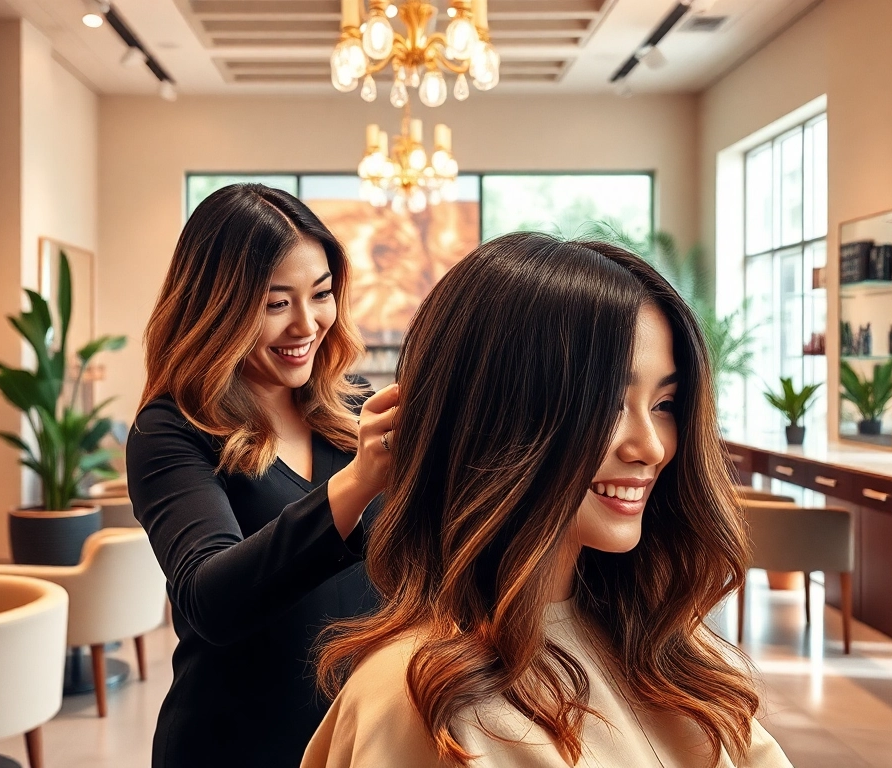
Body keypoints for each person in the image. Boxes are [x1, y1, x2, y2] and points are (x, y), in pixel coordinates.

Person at [303, 233, 791, 768]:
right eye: (609, 403)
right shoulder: (416, 697)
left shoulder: (666, 649)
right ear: (498, 417)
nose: (651, 447)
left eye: (665, 404)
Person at [127, 183, 397, 767]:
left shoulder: (353, 408)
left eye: (320, 294)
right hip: (235, 747)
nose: (307, 324)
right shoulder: (171, 430)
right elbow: (209, 598)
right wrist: (359, 481)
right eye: (276, 304)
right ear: (216, 310)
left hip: (357, 738)